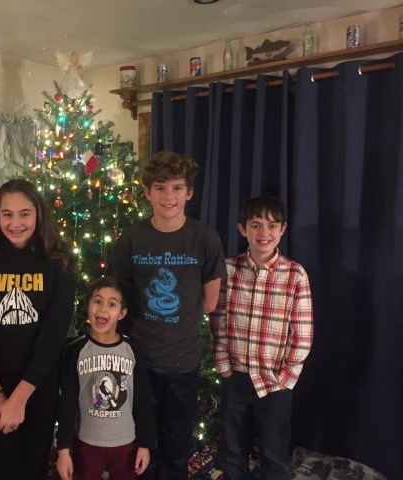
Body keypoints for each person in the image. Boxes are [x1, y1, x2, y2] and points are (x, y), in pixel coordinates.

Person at [107, 151, 226, 480]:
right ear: (147, 192)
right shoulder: (131, 239)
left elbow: (209, 302)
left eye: (176, 188)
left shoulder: (205, 239)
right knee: (141, 441)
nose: (168, 196)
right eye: (160, 188)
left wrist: (176, 318)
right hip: (137, 360)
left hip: (181, 362)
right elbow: (117, 297)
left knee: (176, 442)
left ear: (189, 192)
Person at [0, 178, 77, 479]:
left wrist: (20, 398)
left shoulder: (59, 260)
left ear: (38, 214)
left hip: (38, 384)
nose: (16, 223)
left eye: (24, 214)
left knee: (35, 466)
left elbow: (53, 335)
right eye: (7, 214)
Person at [209, 196, 313, 480]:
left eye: (271, 225)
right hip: (236, 376)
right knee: (232, 447)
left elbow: (302, 335)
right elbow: (218, 321)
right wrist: (224, 367)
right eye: (255, 225)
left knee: (274, 449)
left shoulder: (295, 275)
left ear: (282, 229)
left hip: (274, 381)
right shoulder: (229, 269)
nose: (263, 233)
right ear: (243, 229)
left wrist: (285, 378)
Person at [55, 276, 156, 480]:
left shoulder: (133, 350)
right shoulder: (76, 351)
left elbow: (142, 400)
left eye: (112, 304)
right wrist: (63, 449)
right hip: (87, 443)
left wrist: (145, 444)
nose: (102, 309)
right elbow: (67, 402)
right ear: (87, 305)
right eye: (97, 301)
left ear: (122, 313)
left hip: (126, 443)